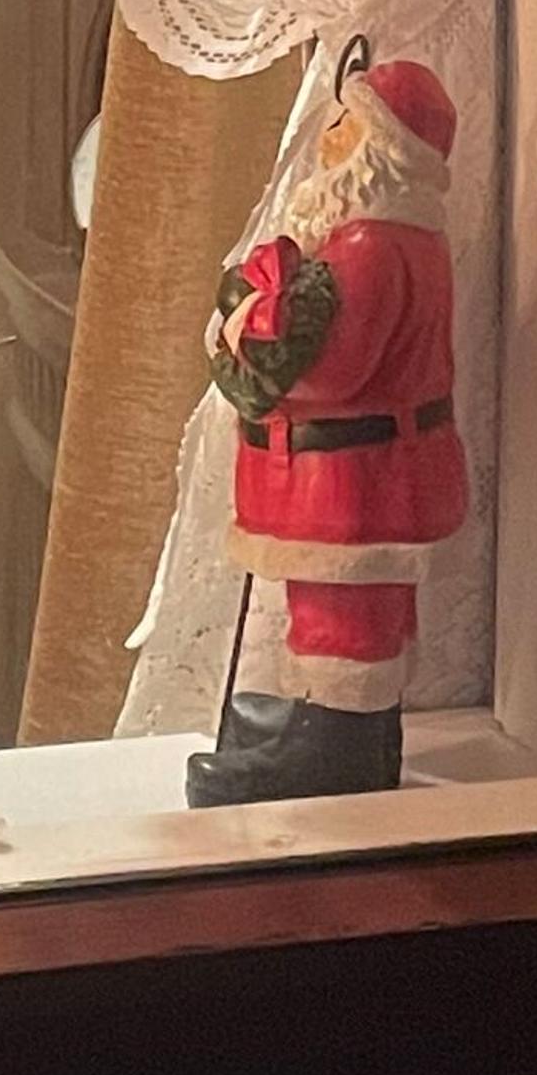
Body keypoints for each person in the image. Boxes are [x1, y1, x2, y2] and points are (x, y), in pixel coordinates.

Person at [185, 41, 467, 809]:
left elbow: (329, 369)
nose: (329, 141)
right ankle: (351, 734)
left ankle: (327, 754)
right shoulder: (398, 236)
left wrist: (244, 330)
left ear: (381, 149)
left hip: (351, 485)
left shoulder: (371, 246)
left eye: (345, 126)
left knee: (345, 615)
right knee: (354, 610)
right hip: (367, 478)